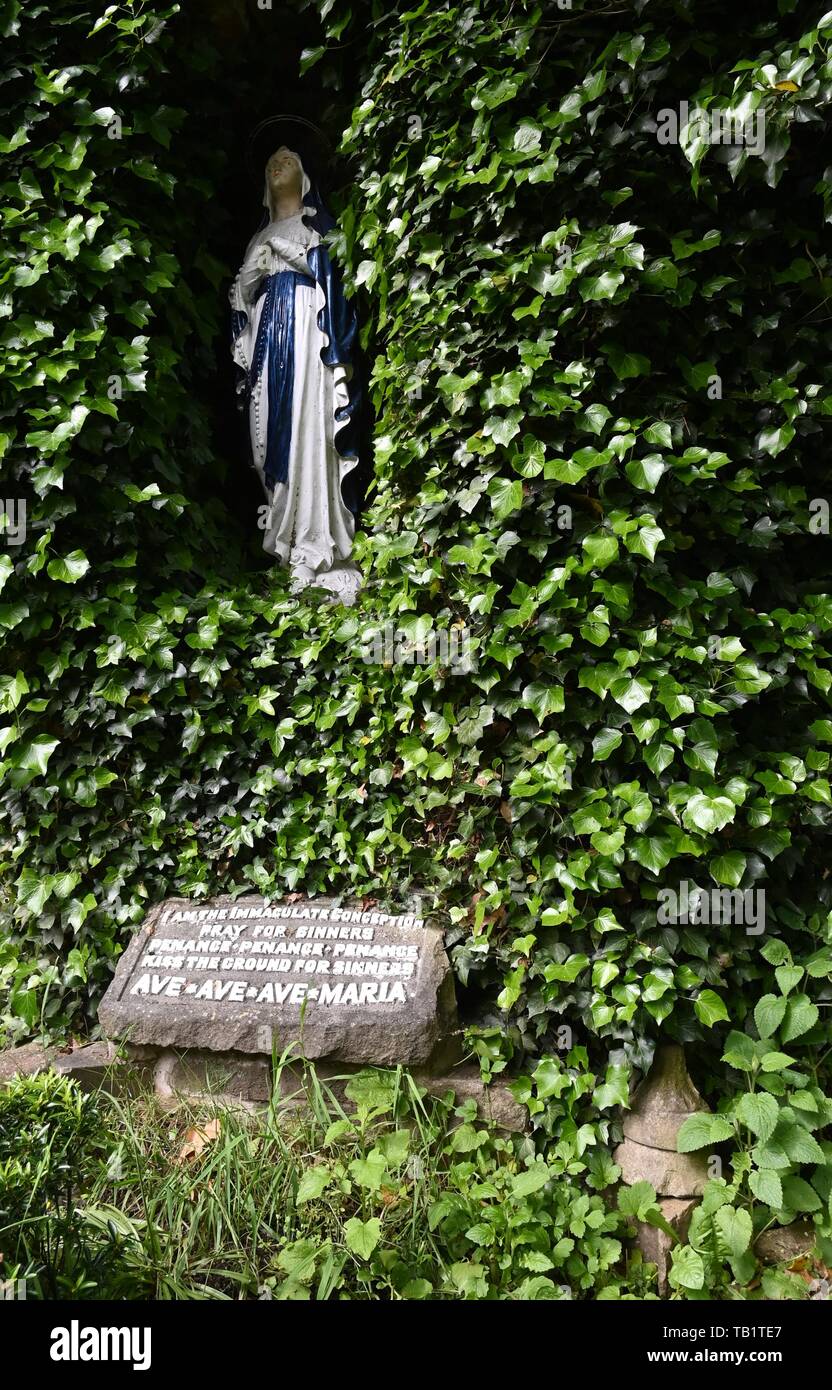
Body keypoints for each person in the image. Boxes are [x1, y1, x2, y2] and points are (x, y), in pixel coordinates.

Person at [230, 145, 364, 603]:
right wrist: (251, 276)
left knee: (308, 428)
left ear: (305, 174)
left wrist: (292, 253)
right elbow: (241, 305)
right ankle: (286, 546)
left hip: (308, 330)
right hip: (268, 338)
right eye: (270, 161)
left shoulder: (317, 227)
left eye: (287, 158)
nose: (276, 164)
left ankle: (315, 545)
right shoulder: (257, 236)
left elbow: (333, 281)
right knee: (267, 433)